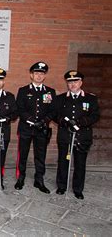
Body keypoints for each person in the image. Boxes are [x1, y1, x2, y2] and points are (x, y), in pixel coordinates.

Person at [54, 70, 100, 199]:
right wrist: (64, 122)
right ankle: (62, 186)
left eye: (75, 81)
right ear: (67, 83)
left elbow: (95, 116)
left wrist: (81, 122)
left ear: (81, 82)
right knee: (63, 162)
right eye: (70, 82)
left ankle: (78, 189)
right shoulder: (60, 98)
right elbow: (55, 115)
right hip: (65, 135)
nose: (73, 84)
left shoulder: (90, 98)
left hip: (82, 136)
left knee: (80, 163)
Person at [14, 62, 56, 194]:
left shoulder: (50, 92)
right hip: (26, 128)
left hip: (42, 129)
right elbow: (19, 109)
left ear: (44, 76)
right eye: (36, 73)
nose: (39, 76)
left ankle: (39, 180)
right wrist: (32, 120)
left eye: (41, 74)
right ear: (31, 75)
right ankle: (21, 178)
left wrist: (43, 121)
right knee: (23, 154)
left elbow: (53, 111)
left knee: (40, 155)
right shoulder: (23, 90)